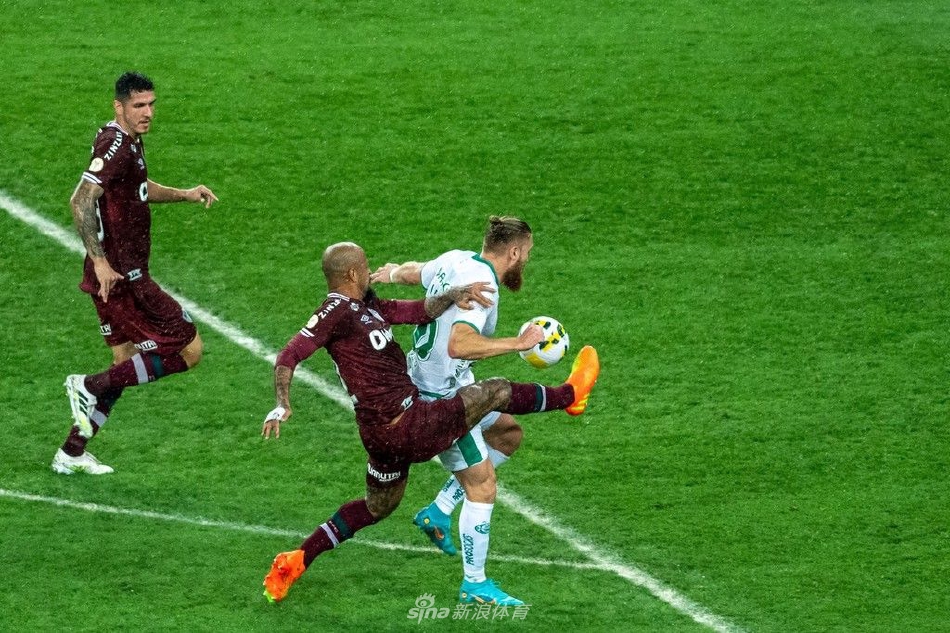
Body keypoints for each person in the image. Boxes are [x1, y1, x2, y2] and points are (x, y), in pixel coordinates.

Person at [260, 242, 599, 604]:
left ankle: (297, 559)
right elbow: (290, 353)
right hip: (410, 423)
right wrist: (282, 403)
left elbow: (418, 311)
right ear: (353, 273)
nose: (370, 270)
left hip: (380, 436)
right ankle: (569, 396)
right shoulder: (335, 311)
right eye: (366, 266)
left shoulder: (366, 305)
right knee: (494, 391)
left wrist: (454, 294)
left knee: (377, 506)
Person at [51, 72, 218, 475]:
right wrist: (101, 261)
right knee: (189, 348)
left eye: (151, 104)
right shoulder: (116, 146)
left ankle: (71, 452)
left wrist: (183, 194)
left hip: (110, 278)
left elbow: (136, 187)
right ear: (119, 106)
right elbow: (80, 200)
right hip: (124, 278)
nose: (147, 113)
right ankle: (87, 385)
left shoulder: (125, 141)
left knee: (123, 362)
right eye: (138, 106)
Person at [369, 215, 540, 605]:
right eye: (528, 253)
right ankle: (474, 584)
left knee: (508, 434)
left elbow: (416, 272)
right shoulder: (484, 289)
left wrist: (391, 273)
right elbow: (459, 344)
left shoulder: (456, 260)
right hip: (442, 400)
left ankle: (439, 510)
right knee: (482, 485)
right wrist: (518, 343)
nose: (527, 260)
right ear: (514, 252)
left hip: (446, 383)